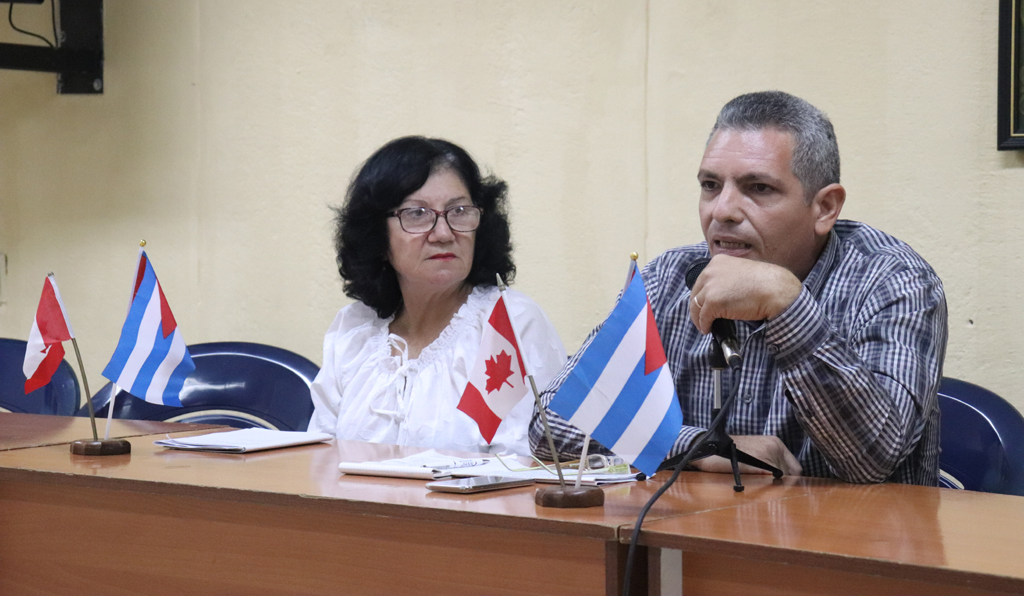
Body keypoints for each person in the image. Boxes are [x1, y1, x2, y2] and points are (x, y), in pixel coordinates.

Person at [531, 91, 947, 485]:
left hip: (853, 549)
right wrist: (701, 447)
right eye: (711, 185)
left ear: (825, 207)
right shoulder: (669, 278)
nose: (722, 211)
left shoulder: (894, 282)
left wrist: (789, 305)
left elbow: (872, 459)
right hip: (700, 544)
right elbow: (552, 426)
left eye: (758, 188)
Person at [308, 136, 565, 457]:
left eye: (459, 211)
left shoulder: (507, 325)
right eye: (417, 214)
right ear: (376, 235)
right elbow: (319, 459)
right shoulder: (354, 329)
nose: (444, 233)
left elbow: (522, 464)